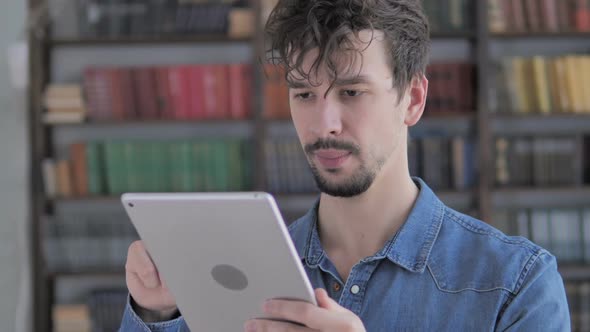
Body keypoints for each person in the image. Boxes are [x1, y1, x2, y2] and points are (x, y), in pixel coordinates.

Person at [119, 0, 570, 331]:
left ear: (412, 99)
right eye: (304, 95)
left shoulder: (516, 283)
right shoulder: (231, 272)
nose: (324, 124)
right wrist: (155, 312)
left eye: (351, 92)